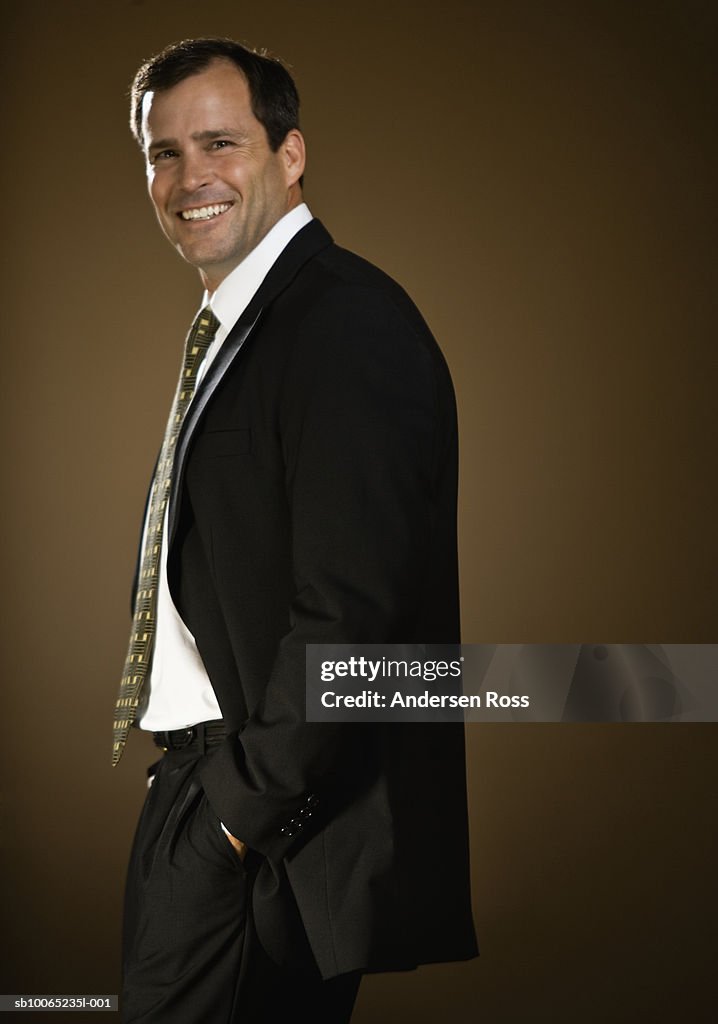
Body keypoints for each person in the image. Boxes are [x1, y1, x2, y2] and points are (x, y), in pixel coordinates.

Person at [113, 36, 477, 1023]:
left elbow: (352, 615)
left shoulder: (342, 321)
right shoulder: (249, 324)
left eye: (219, 142)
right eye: (163, 152)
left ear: (290, 154)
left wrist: (236, 814)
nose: (190, 178)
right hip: (203, 795)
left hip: (263, 834)